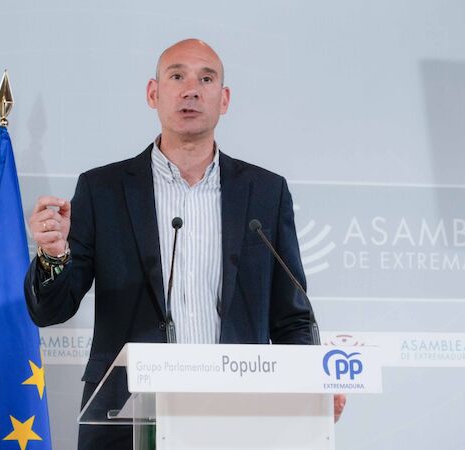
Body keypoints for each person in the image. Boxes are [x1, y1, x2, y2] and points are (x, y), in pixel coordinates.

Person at [24, 38, 346, 450]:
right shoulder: (102, 189)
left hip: (238, 417)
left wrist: (311, 384)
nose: (191, 89)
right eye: (177, 76)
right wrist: (54, 257)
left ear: (224, 99)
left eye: (206, 79)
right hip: (127, 420)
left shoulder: (266, 193)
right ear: (153, 94)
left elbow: (292, 318)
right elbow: (51, 309)